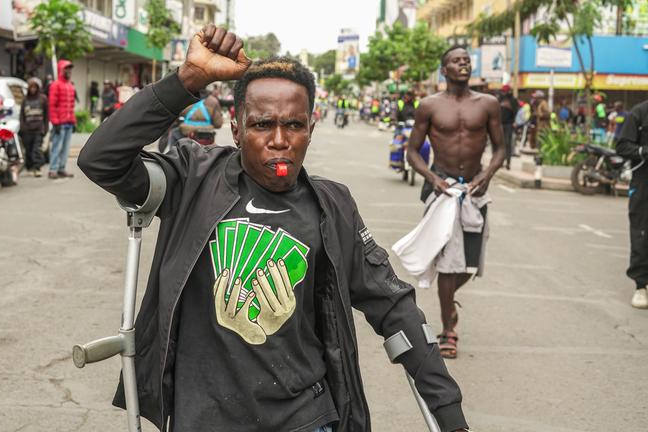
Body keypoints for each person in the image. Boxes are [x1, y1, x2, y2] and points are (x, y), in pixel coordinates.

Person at [78, 25, 469, 432]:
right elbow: (102, 159)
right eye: (262, 125)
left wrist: (449, 413)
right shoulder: (193, 179)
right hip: (204, 419)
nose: (280, 140)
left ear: (311, 130)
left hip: (304, 418)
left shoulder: (332, 206)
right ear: (236, 128)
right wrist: (188, 79)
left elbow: (393, 307)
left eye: (294, 126)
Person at [406, 45, 505, 359]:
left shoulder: (488, 104)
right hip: (443, 192)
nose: (463, 64)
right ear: (444, 69)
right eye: (455, 61)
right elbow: (412, 152)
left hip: (475, 191)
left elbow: (501, 149)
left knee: (472, 263)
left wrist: (487, 175)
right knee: (447, 266)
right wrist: (433, 179)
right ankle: (449, 328)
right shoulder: (429, 105)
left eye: (466, 60)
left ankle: (449, 302)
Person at [615, 99, 648, 309]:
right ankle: (641, 286)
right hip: (644, 182)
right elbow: (622, 146)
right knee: (641, 232)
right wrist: (644, 151)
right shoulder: (639, 113)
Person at [47, 59, 76, 179]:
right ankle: (53, 170)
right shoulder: (55, 85)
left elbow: (71, 105)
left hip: (69, 122)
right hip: (59, 123)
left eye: (70, 69)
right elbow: (52, 105)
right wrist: (55, 122)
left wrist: (74, 121)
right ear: (61, 70)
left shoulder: (70, 85)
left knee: (65, 148)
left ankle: (61, 169)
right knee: (56, 147)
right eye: (66, 68)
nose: (69, 71)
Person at [19, 77, 48, 177]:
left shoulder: (43, 99)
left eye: (35, 87)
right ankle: (30, 167)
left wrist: (45, 128)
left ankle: (37, 167)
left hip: (38, 129)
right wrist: (22, 128)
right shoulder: (25, 100)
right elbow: (22, 115)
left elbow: (46, 115)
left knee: (36, 149)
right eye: (31, 87)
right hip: (27, 129)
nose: (33, 89)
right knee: (28, 150)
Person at [498, 85, 519, 169]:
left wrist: (509, 107)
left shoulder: (513, 100)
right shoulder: (500, 99)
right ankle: (500, 162)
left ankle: (508, 162)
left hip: (509, 124)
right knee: (500, 144)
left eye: (505, 91)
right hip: (500, 124)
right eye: (503, 91)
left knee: (507, 143)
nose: (504, 93)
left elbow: (515, 111)